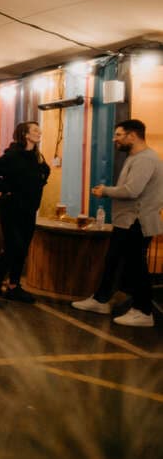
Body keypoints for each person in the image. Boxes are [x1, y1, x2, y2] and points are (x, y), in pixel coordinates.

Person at [72, 119, 163, 327]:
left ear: (133, 135)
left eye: (119, 135)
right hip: (126, 222)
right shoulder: (135, 157)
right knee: (113, 261)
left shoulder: (145, 159)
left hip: (137, 222)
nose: (115, 139)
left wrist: (105, 191)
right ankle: (101, 300)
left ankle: (143, 311)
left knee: (136, 267)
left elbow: (132, 191)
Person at [0, 121, 50, 305]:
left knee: (23, 248)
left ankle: (13, 286)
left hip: (29, 208)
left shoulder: (37, 157)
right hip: (11, 208)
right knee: (13, 246)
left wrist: (37, 185)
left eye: (39, 130)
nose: (39, 132)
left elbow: (45, 172)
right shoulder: (13, 156)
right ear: (25, 134)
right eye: (35, 130)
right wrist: (5, 188)